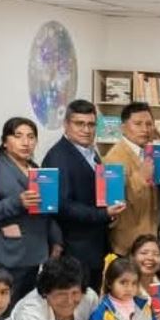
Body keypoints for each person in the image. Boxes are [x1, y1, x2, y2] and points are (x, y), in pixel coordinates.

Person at [42, 98, 124, 285]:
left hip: (95, 246)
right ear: (66, 125)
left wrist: (110, 215)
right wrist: (103, 214)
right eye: (79, 124)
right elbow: (62, 205)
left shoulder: (91, 152)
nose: (86, 130)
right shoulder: (58, 156)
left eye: (91, 124)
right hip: (75, 249)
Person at [0, 117, 62, 305]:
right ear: (5, 141)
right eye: (18, 136)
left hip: (35, 253)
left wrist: (56, 239)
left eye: (31, 137)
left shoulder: (37, 170)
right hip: (5, 255)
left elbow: (47, 211)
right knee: (2, 311)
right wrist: (16, 203)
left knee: (27, 311)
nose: (26, 142)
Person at [104, 100, 160, 256]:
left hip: (149, 240)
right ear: (123, 128)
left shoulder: (149, 153)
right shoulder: (114, 158)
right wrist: (140, 178)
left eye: (149, 124)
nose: (145, 129)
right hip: (127, 245)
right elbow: (114, 204)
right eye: (138, 124)